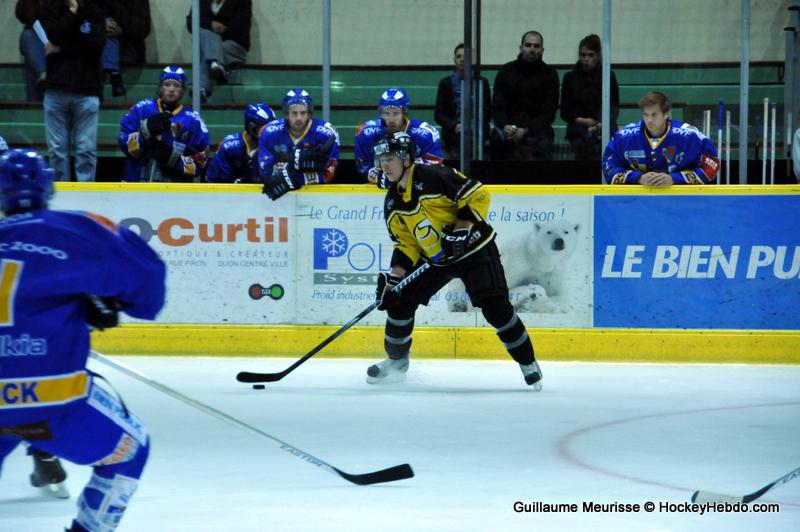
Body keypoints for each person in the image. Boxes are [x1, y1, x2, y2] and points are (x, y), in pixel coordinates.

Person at [0, 149, 166, 531]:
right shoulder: (76, 229)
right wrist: (106, 299)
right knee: (131, 449)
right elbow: (149, 286)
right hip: (52, 399)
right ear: (48, 188)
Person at [366, 131, 543, 389]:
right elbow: (405, 244)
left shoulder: (434, 176)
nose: (385, 165)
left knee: (496, 308)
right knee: (398, 302)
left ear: (406, 159)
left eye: (390, 158)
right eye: (382, 159)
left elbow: (478, 195)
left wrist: (462, 228)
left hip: (474, 250)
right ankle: (396, 362)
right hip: (437, 259)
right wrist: (395, 279)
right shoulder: (392, 201)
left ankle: (527, 361)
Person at [39, 0, 106, 182]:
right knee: (56, 151)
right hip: (56, 88)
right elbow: (53, 36)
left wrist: (61, 49)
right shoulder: (49, 8)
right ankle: (60, 193)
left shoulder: (95, 12)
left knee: (86, 150)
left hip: (87, 90)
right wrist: (72, 11)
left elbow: (95, 47)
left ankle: (86, 195)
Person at [603, 91, 720, 186]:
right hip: (637, 202)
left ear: (666, 114)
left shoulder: (689, 136)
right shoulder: (624, 137)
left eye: (654, 115)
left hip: (681, 201)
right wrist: (638, 178)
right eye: (646, 115)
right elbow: (609, 168)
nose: (649, 120)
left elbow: (711, 166)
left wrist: (675, 179)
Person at [118, 66, 211, 182]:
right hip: (135, 185)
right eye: (167, 84)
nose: (171, 89)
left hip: (172, 192)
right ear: (160, 87)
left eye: (176, 85)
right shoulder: (142, 108)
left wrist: (174, 160)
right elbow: (122, 141)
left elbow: (200, 162)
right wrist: (144, 133)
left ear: (183, 89)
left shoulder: (193, 120)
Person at [258, 89, 339, 200]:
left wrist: (294, 179)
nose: (299, 118)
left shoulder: (326, 134)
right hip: (280, 200)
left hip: (317, 197)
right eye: (294, 113)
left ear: (309, 113)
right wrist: (295, 164)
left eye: (303, 113)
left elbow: (329, 174)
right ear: (286, 114)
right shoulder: (268, 133)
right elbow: (265, 171)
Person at [491, 31, 559, 161]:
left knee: (543, 144)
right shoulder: (506, 71)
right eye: (528, 45)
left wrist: (526, 130)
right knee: (496, 138)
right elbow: (497, 106)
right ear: (521, 48)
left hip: (537, 130)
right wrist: (505, 125)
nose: (532, 49)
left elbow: (548, 112)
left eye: (536, 46)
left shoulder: (550, 75)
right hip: (508, 127)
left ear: (542, 50)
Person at [355, 88, 443, 187]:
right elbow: (365, 167)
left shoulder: (425, 134)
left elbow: (435, 164)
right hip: (378, 188)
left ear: (404, 112)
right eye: (386, 113)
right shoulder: (366, 133)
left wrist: (405, 177)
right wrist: (384, 179)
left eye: (395, 113)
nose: (391, 119)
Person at [560, 34, 619, 161]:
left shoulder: (608, 76)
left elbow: (613, 106)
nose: (586, 59)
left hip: (603, 126)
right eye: (583, 55)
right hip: (578, 129)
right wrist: (581, 120)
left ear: (598, 56)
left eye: (591, 55)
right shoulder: (569, 78)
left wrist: (599, 124)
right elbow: (565, 111)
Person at [186, 0, 252, 102]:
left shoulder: (243, 2)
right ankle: (215, 64)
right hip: (209, 45)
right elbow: (191, 22)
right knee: (204, 34)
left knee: (205, 49)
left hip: (234, 47)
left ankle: (202, 88)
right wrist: (210, 24)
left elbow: (240, 27)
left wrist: (219, 30)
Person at [435, 43, 492, 161]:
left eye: (465, 57)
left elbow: (487, 111)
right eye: (459, 56)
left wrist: (473, 125)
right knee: (461, 140)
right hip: (454, 130)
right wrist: (454, 125)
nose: (462, 59)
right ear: (454, 60)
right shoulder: (445, 83)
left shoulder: (481, 82)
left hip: (477, 128)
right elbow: (439, 114)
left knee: (472, 139)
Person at [206, 103, 276, 183]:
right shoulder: (229, 147)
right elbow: (215, 182)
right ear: (251, 127)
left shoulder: (277, 146)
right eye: (263, 127)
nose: (268, 131)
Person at [15, 0, 47, 102]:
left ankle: (43, 73)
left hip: (59, 39)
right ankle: (43, 73)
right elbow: (22, 15)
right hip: (36, 39)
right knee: (28, 37)